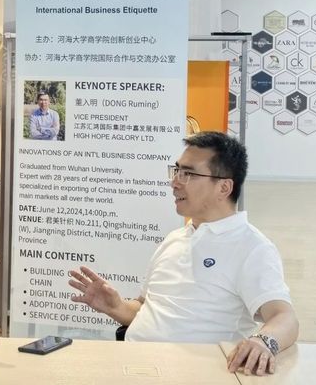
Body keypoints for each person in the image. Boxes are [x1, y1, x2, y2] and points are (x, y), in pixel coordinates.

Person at [68, 131, 299, 377]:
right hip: (135, 367)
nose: (175, 182)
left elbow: (285, 318)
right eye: (176, 171)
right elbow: (147, 310)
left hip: (197, 375)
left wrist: (264, 341)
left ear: (224, 187)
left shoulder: (252, 247)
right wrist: (115, 307)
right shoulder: (175, 239)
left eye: (188, 174)